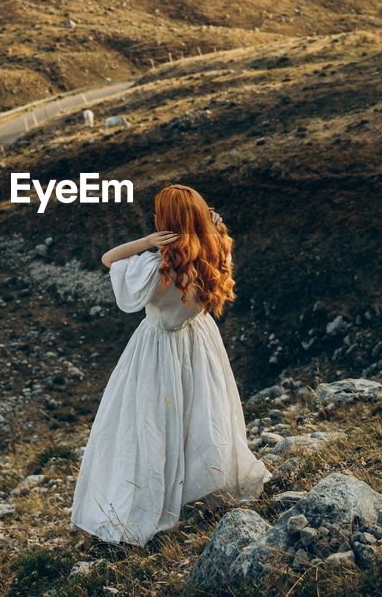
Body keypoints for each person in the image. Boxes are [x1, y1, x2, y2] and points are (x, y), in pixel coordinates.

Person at [70, 184, 271, 546]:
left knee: (151, 424)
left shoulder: (158, 266)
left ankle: (151, 499)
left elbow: (108, 259)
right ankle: (205, 484)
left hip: (160, 346)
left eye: (159, 216)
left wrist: (148, 240)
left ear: (168, 223)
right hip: (199, 340)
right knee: (201, 414)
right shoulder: (217, 250)